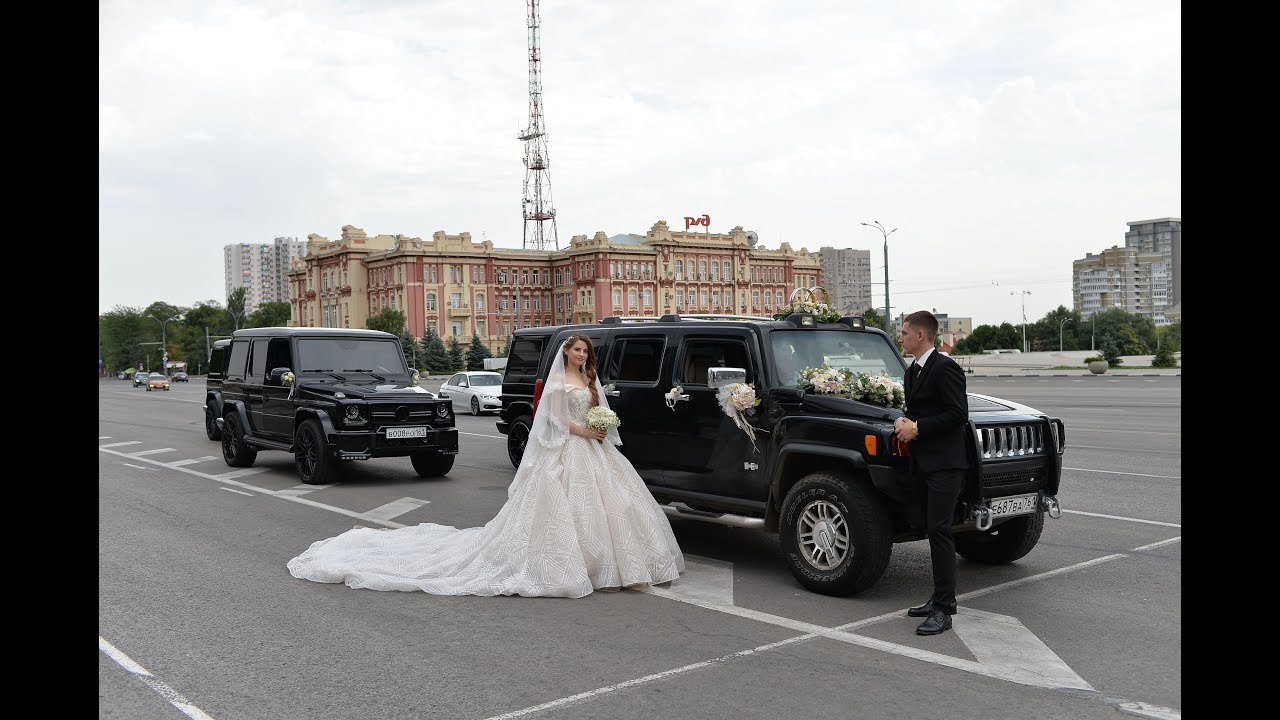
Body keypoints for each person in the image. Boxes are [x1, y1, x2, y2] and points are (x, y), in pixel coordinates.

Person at [287, 333, 685, 598]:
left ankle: (618, 563)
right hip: (571, 447)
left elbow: (600, 408)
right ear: (566, 351)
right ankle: (579, 565)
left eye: (585, 351)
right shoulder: (559, 382)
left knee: (619, 504)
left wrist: (604, 426)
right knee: (564, 509)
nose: (581, 355)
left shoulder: (591, 379)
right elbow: (559, 420)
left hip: (597, 450)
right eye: (576, 350)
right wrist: (587, 432)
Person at [893, 311, 970, 636]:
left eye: (905, 332)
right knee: (931, 529)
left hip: (946, 465)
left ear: (921, 335)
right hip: (923, 464)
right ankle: (936, 599)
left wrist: (918, 428)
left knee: (939, 532)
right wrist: (903, 422)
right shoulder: (913, 371)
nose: (901, 337)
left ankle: (944, 609)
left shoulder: (945, 368)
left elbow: (958, 414)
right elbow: (917, 411)